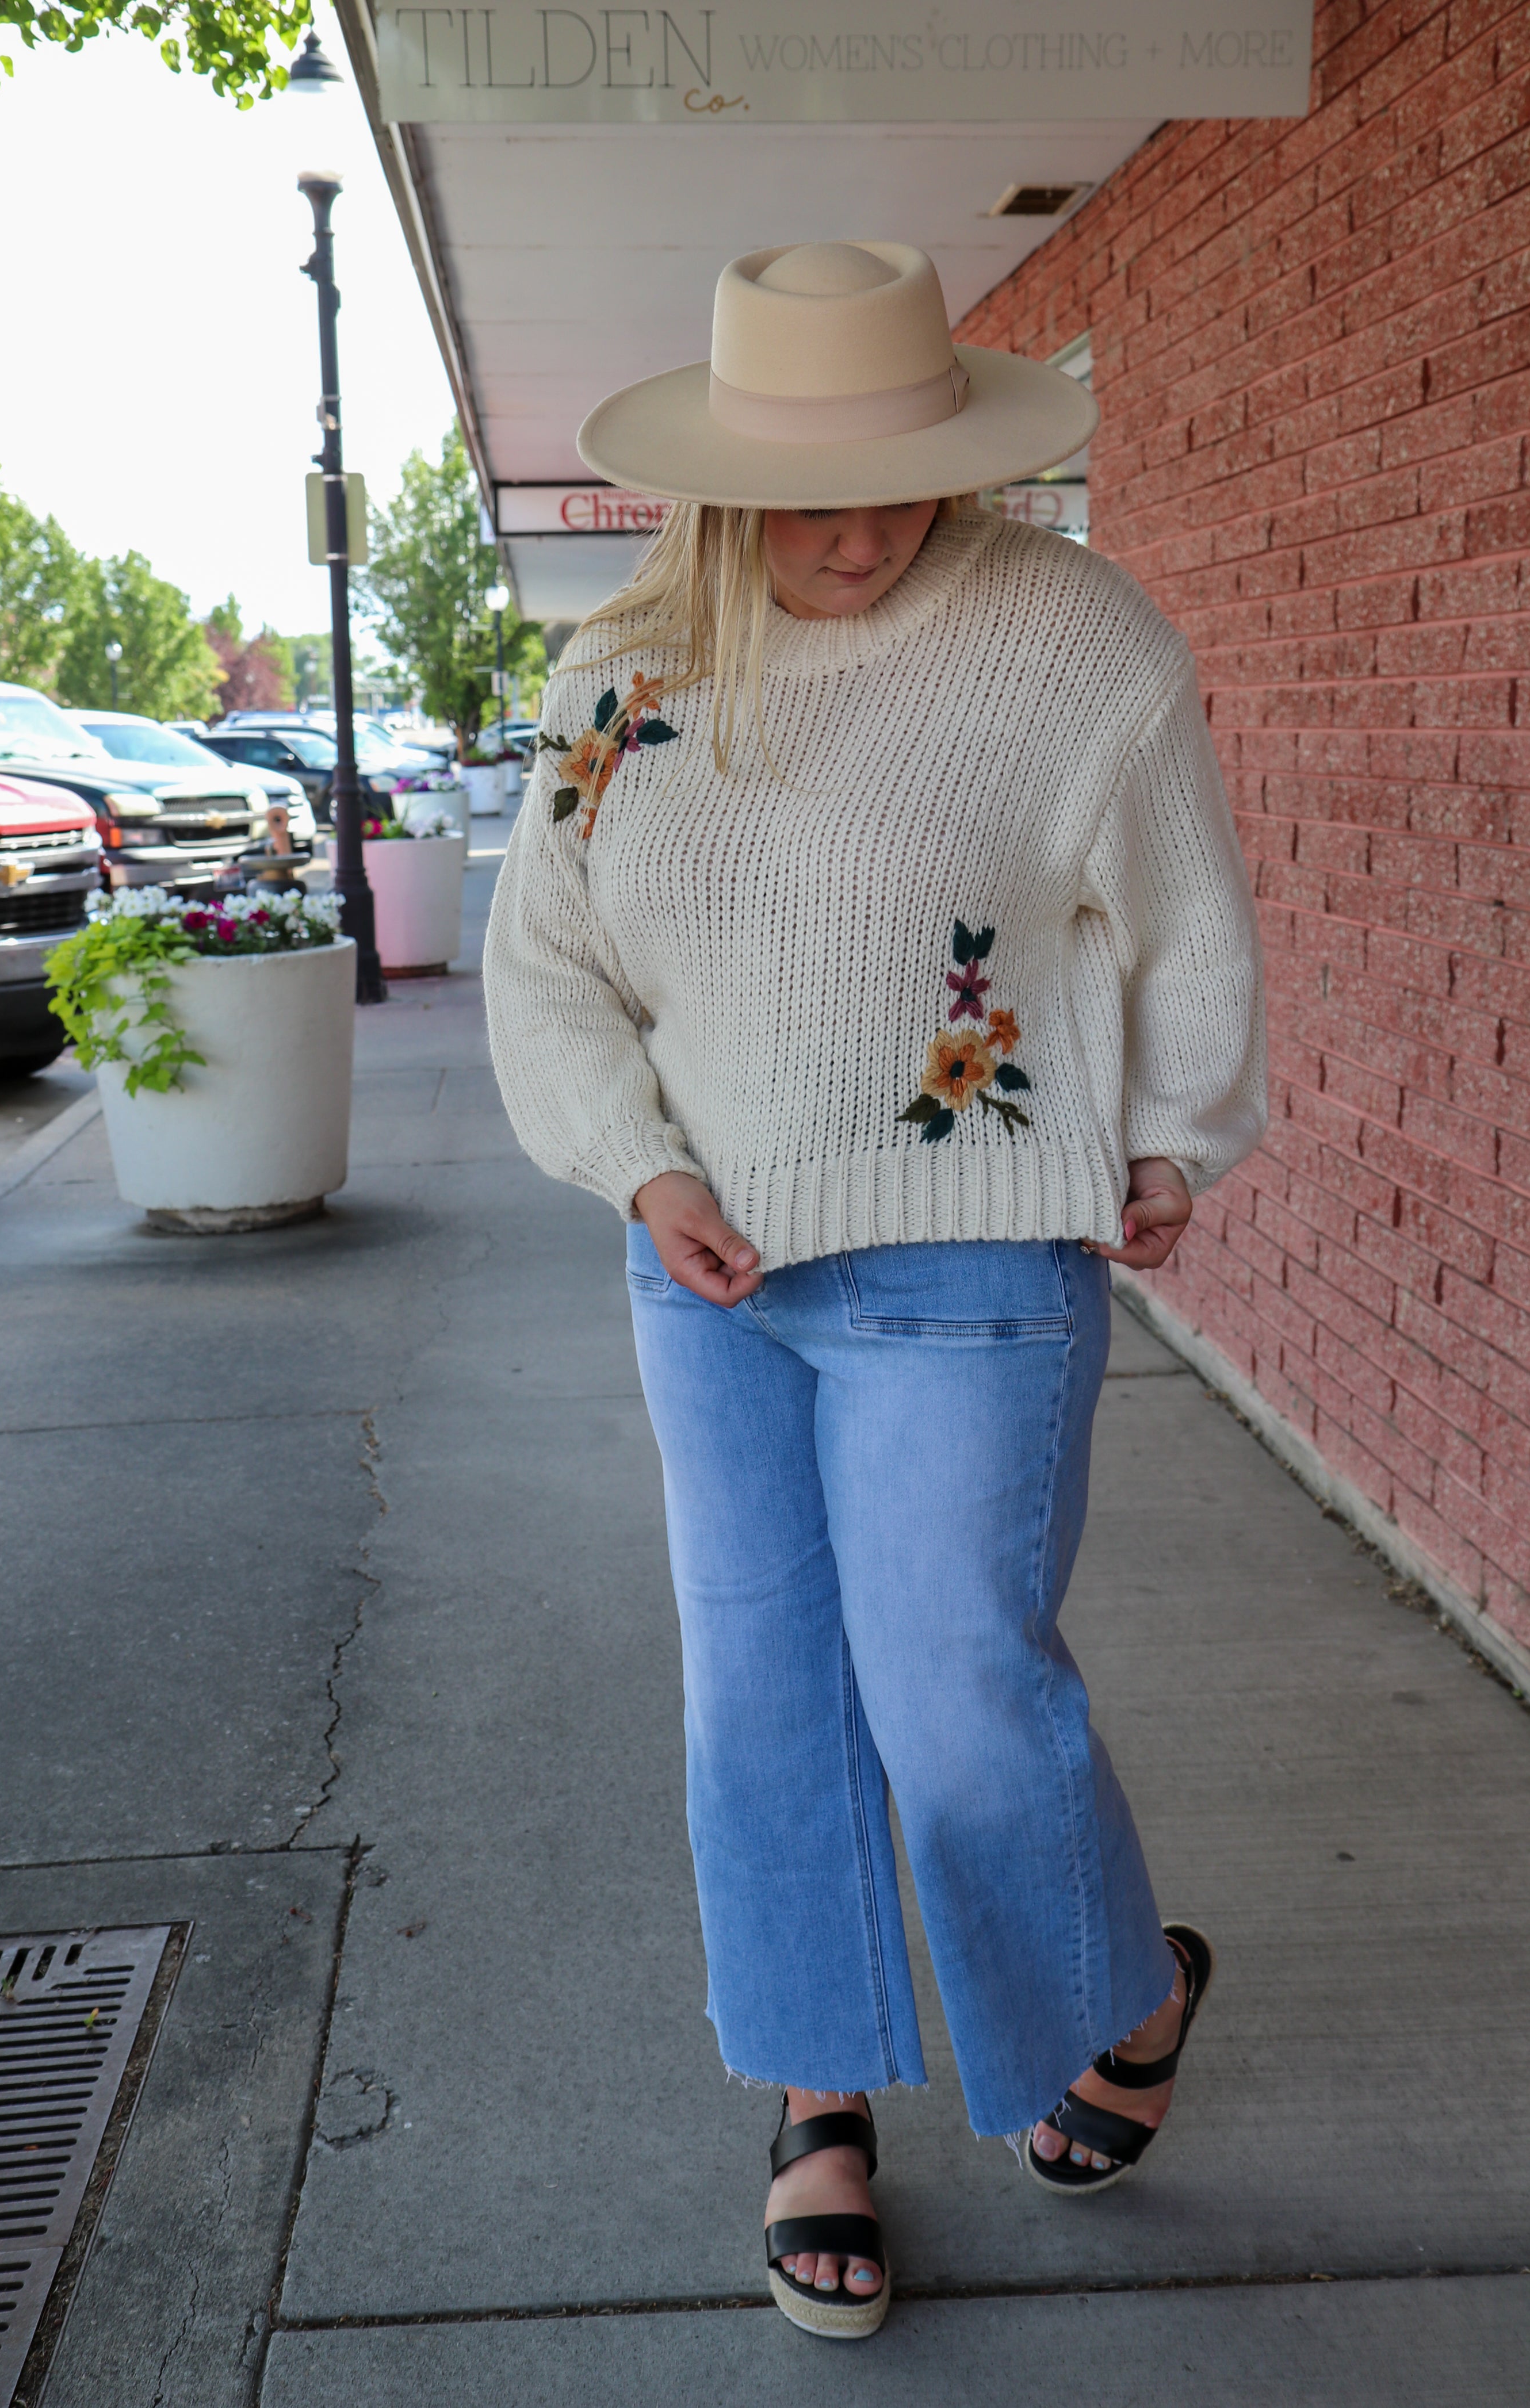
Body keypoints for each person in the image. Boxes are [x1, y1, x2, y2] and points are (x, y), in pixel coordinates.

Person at [484, 239, 1265, 2341]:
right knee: (765, 1702)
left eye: (898, 481)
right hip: (707, 1265)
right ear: (721, 480)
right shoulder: (620, 676)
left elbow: (1185, 904)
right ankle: (819, 2103)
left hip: (970, 1249)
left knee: (958, 1698)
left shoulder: (1074, 639)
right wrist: (635, 1166)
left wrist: (1179, 1121)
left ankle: (1124, 1983)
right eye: (809, 490)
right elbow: (551, 969)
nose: (859, 531)